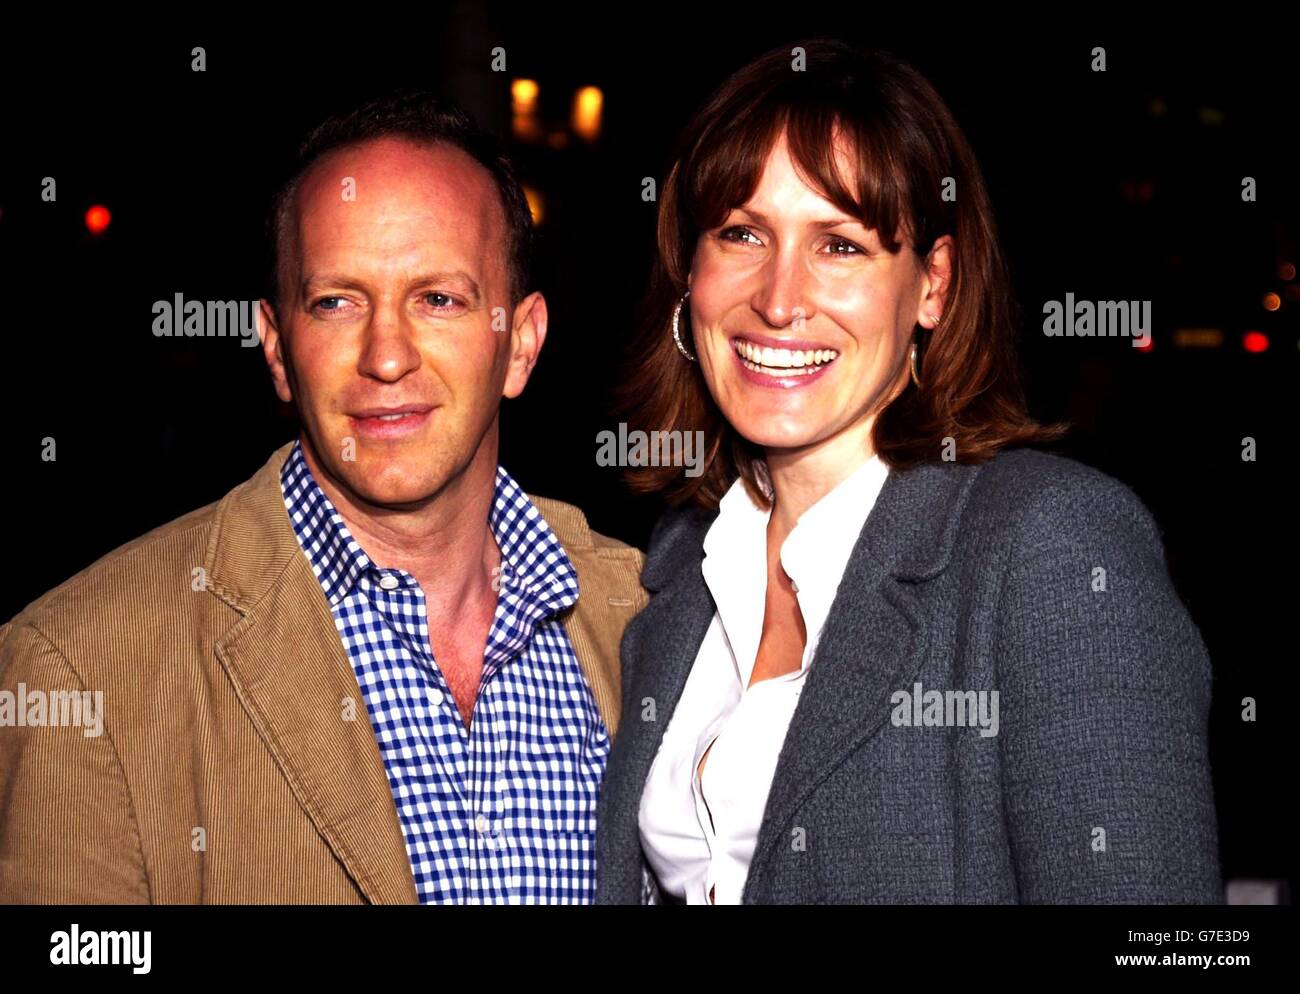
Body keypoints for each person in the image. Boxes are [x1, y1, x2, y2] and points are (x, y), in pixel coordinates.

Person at [597, 40, 1221, 904]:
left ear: (933, 283)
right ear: (689, 273)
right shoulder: (677, 575)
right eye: (742, 234)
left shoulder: (1051, 549)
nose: (779, 299)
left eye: (840, 246)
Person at [0, 91, 646, 904]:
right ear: (277, 349)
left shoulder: (654, 620)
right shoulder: (77, 669)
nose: (385, 357)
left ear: (520, 343)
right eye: (336, 301)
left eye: (437, 299)